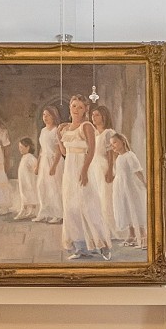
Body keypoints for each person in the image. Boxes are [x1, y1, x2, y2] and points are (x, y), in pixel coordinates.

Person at [59, 94, 110, 260]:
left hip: (83, 166)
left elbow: (92, 150)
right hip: (69, 169)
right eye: (74, 106)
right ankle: (80, 247)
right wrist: (59, 137)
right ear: (70, 107)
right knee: (71, 206)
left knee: (88, 205)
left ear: (85, 110)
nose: (76, 110)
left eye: (80, 107)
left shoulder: (86, 126)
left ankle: (100, 244)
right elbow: (64, 152)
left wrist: (84, 170)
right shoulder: (65, 128)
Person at [108, 131, 147, 247]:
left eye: (115, 142)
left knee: (133, 207)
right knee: (125, 208)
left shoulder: (130, 155)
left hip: (129, 186)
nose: (112, 146)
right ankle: (131, 235)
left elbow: (137, 171)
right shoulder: (119, 157)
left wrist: (144, 184)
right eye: (111, 144)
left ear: (123, 142)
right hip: (120, 187)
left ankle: (142, 236)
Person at [90, 103, 118, 244]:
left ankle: (110, 229)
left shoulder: (109, 133)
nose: (93, 118)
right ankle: (99, 229)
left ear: (104, 117)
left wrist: (109, 170)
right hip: (93, 167)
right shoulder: (93, 133)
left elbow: (110, 154)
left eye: (97, 115)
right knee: (96, 199)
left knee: (106, 198)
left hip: (103, 166)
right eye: (93, 115)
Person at [36, 104, 65, 225]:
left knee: (55, 187)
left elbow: (59, 150)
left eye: (48, 115)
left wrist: (53, 166)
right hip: (44, 161)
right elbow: (42, 149)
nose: (45, 117)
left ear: (54, 116)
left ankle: (58, 214)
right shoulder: (43, 131)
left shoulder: (56, 130)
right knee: (42, 186)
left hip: (54, 161)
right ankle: (44, 212)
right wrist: (37, 165)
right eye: (44, 115)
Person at [13, 137, 40, 220]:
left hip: (29, 182)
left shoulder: (30, 158)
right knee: (24, 195)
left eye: (21, 147)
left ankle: (27, 211)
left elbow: (36, 170)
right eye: (19, 147)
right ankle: (29, 211)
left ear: (28, 147)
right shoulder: (24, 157)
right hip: (23, 181)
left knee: (29, 195)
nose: (20, 149)